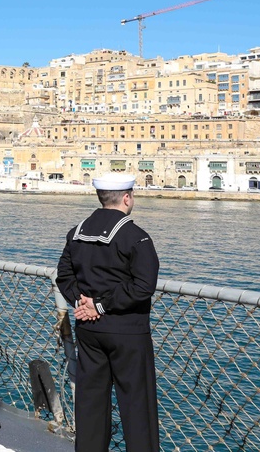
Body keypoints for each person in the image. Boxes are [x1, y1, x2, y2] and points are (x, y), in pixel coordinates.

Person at [55, 172, 160, 452]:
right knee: (137, 405)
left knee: (90, 402)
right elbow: (143, 286)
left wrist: (82, 302)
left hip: (89, 330)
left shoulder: (76, 233)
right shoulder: (136, 237)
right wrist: (100, 305)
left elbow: (63, 275)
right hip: (127, 331)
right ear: (127, 198)